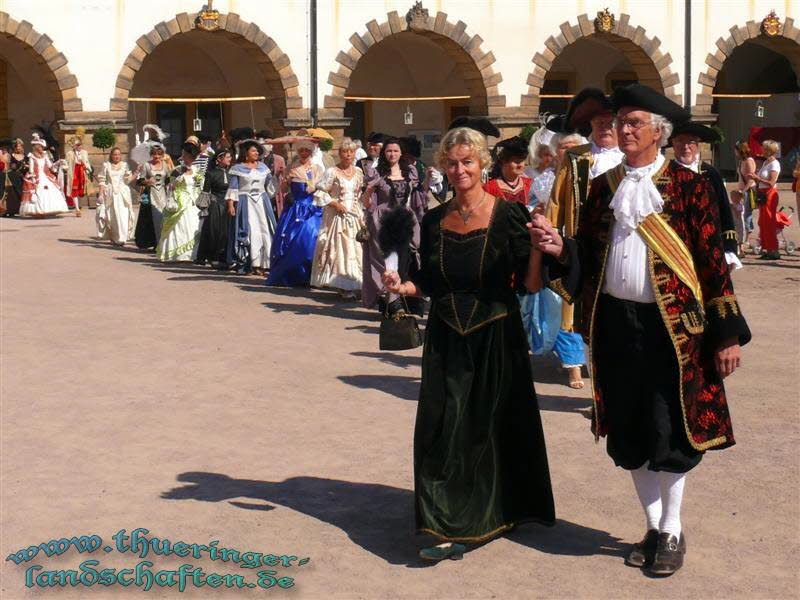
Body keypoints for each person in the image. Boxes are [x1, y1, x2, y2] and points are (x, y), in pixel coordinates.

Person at [531, 84, 751, 576]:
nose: (624, 130)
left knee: (670, 429)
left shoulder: (691, 188)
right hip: (614, 323)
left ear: (659, 133)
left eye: (635, 123)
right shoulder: (602, 187)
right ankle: (652, 526)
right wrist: (558, 250)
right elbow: (585, 254)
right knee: (627, 427)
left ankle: (672, 529)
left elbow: (712, 265)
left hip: (674, 331)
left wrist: (728, 334)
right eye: (621, 122)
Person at [381, 126, 555, 561]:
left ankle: (489, 514)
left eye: (468, 162)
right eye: (453, 163)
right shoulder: (435, 219)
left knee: (486, 427)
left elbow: (531, 286)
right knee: (444, 427)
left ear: (482, 164)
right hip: (445, 338)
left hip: (496, 333)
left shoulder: (509, 215)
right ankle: (445, 519)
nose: (460, 170)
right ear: (443, 166)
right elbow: (429, 281)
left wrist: (537, 249)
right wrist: (403, 285)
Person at [362, 136, 431, 316]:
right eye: (389, 151)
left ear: (401, 153)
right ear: (384, 153)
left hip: (404, 218)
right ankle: (391, 301)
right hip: (383, 219)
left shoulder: (410, 172)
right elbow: (365, 202)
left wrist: (429, 179)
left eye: (395, 151)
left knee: (406, 259)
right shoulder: (376, 173)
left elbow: (420, 194)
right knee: (386, 260)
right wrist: (369, 190)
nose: (392, 154)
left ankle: (405, 298)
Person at [670, 122, 741, 270]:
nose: (686, 146)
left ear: (698, 145)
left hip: (709, 244)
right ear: (673, 144)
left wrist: (729, 249)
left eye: (691, 142)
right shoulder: (665, 173)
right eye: (680, 141)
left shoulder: (710, 173)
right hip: (674, 246)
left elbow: (724, 210)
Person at [310, 138, 366, 296]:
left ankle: (357, 282)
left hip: (355, 214)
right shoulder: (332, 171)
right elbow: (321, 192)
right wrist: (335, 204)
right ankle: (343, 285)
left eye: (351, 152)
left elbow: (360, 193)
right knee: (341, 248)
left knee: (357, 248)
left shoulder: (359, 172)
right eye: (344, 152)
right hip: (337, 215)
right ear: (339, 153)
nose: (348, 155)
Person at [266, 139, 323, 285]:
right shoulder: (291, 167)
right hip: (294, 208)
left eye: (306, 151)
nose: (303, 153)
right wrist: (286, 180)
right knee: (288, 240)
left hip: (311, 207)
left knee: (310, 237)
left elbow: (321, 187)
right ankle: (290, 274)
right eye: (301, 150)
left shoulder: (316, 168)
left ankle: (309, 275)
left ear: (311, 152)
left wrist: (314, 186)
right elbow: (284, 190)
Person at [226, 139, 276, 275]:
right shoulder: (237, 169)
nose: (256, 153)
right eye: (253, 150)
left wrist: (279, 178)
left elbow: (271, 186)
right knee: (250, 231)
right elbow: (233, 188)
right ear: (246, 153)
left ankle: (266, 264)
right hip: (245, 201)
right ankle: (251, 263)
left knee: (266, 229)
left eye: (257, 151)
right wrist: (231, 205)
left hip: (262, 202)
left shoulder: (264, 168)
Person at [157, 142, 204, 262]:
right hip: (180, 202)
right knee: (179, 228)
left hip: (194, 202)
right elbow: (170, 186)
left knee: (194, 227)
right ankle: (177, 255)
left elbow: (201, 186)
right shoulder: (177, 170)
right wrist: (179, 178)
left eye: (185, 154)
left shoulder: (198, 171)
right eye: (182, 154)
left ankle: (192, 254)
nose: (183, 157)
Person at [195, 148, 232, 267]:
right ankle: (212, 256)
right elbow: (206, 191)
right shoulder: (211, 173)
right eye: (227, 157)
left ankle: (224, 256)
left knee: (226, 232)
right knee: (213, 231)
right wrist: (207, 205)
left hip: (228, 204)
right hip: (215, 205)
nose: (230, 159)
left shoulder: (231, 173)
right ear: (219, 159)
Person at [19, 133, 69, 217]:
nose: (42, 149)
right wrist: (33, 178)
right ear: (37, 147)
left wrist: (58, 162)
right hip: (37, 177)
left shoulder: (45, 156)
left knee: (52, 191)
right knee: (38, 193)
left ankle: (50, 209)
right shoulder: (32, 157)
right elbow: (31, 169)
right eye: (41, 147)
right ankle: (38, 212)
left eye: (42, 147)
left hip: (46, 177)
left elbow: (50, 166)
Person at [750, 139, 781, 260]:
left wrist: (757, 178)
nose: (761, 150)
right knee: (762, 222)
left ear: (768, 150)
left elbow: (771, 183)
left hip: (769, 194)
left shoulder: (774, 164)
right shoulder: (766, 162)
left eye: (763, 148)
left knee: (769, 222)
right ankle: (766, 248)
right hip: (762, 193)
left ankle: (773, 250)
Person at [97, 147, 134, 246]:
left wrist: (136, 173)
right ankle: (114, 237)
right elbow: (102, 180)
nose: (117, 156)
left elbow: (127, 180)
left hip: (122, 193)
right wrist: (100, 194)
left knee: (123, 215)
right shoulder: (106, 165)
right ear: (111, 155)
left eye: (118, 154)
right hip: (110, 193)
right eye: (115, 154)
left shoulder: (125, 165)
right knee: (112, 216)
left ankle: (122, 238)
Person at [483, 136, 532, 206]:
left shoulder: (530, 184)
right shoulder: (489, 188)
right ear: (504, 162)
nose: (520, 165)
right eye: (516, 161)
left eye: (522, 161)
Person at [257, 130, 286, 216]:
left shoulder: (279, 159)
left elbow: (283, 177)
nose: (269, 145)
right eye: (266, 142)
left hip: (275, 192)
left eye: (270, 142)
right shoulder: (257, 159)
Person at [64, 136, 92, 217]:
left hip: (82, 172)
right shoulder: (69, 153)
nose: (79, 147)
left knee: (82, 190)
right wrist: (65, 168)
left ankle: (79, 205)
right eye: (77, 145)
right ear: (74, 146)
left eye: (80, 145)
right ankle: (77, 209)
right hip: (74, 173)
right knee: (74, 190)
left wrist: (88, 169)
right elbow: (66, 163)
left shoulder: (84, 152)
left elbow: (87, 162)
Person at [1, 138, 26, 217]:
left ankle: (13, 209)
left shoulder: (9, 155)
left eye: (5, 148)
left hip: (12, 175)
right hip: (4, 174)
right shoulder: (8, 155)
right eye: (2, 148)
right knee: (4, 193)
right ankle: (4, 210)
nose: (4, 150)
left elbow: (12, 165)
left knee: (14, 193)